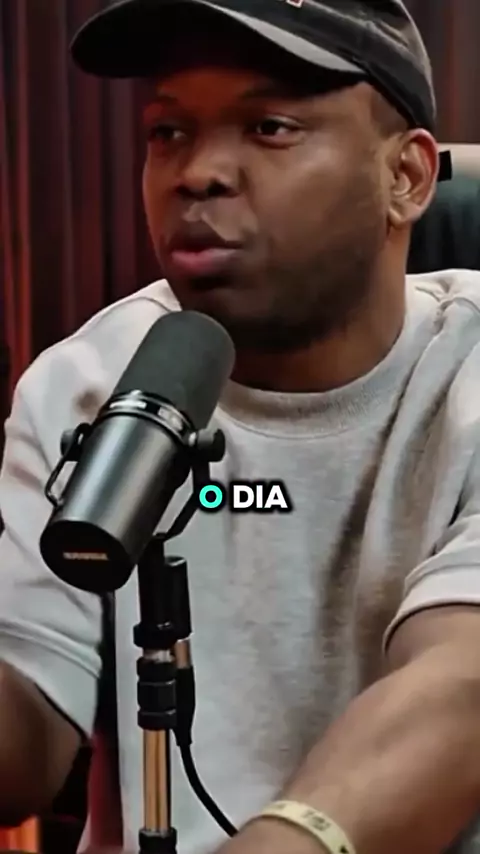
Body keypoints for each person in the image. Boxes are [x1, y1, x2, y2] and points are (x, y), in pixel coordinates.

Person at [1, 2, 480, 853]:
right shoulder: (86, 384)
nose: (198, 174)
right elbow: (26, 737)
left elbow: (462, 682)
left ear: (405, 178)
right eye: (168, 132)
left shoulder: (469, 370)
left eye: (269, 127)